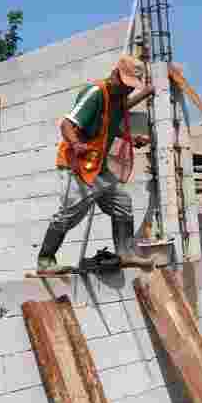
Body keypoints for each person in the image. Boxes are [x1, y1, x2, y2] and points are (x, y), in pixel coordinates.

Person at [37, 54, 156, 273]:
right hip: (77, 164)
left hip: (97, 166)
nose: (129, 90)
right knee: (70, 213)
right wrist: (76, 144)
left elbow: (110, 123)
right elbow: (66, 125)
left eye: (133, 87)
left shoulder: (116, 98)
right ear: (115, 75)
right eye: (127, 85)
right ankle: (45, 260)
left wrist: (132, 137)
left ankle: (125, 252)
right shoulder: (96, 93)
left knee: (122, 202)